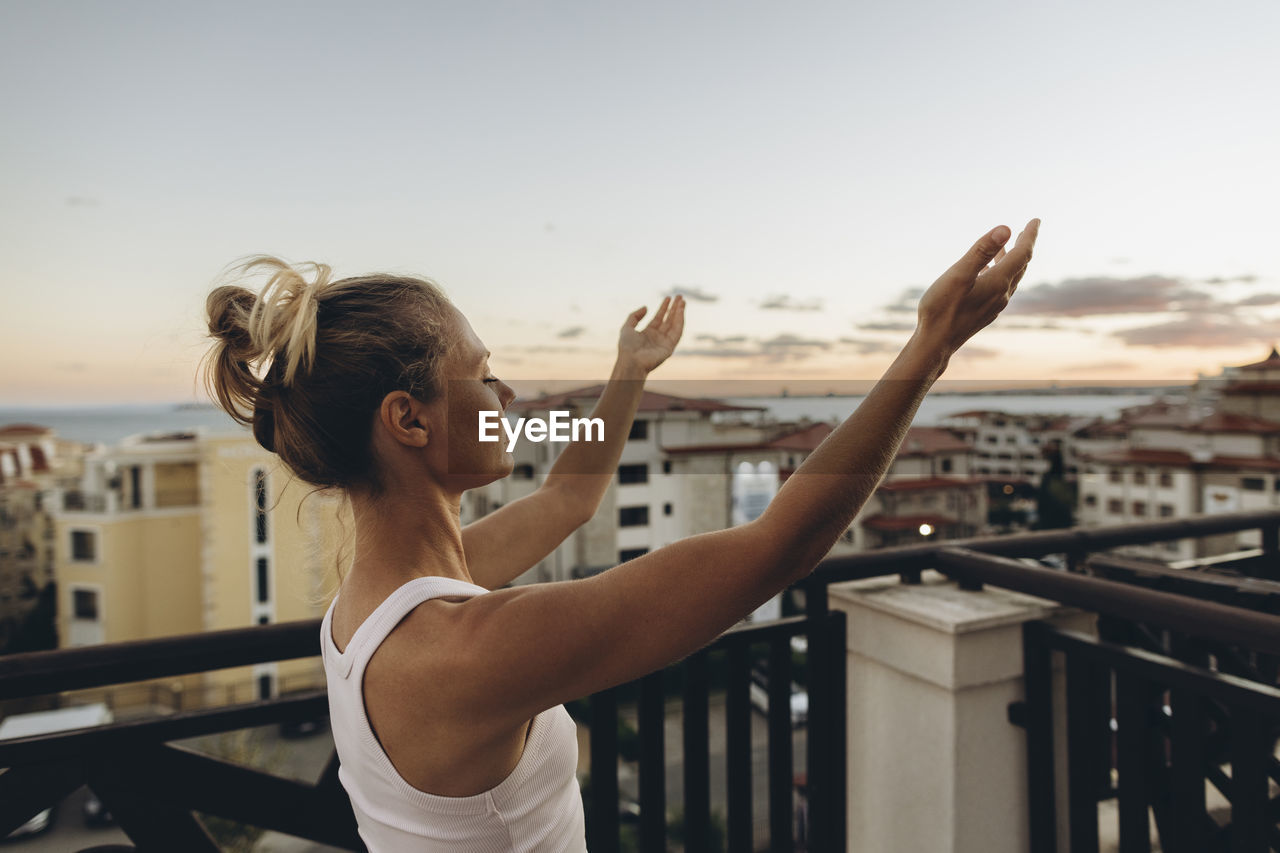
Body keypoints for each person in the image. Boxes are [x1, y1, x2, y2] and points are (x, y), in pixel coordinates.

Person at [203, 219, 1039, 852]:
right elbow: (775, 545)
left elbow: (570, 493)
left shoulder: (371, 608)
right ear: (408, 419)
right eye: (481, 373)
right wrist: (931, 347)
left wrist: (628, 373)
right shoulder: (461, 649)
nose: (507, 392)